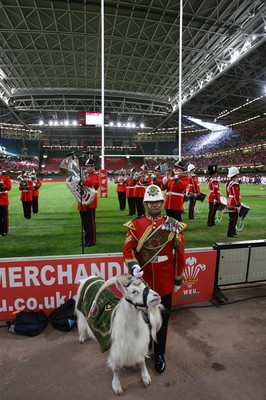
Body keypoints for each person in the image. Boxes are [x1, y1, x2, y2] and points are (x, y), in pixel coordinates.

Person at [123, 184, 186, 373]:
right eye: (150, 202)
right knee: (143, 320)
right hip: (143, 283)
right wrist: (134, 266)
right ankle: (143, 349)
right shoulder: (136, 224)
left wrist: (177, 279)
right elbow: (128, 250)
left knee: (162, 321)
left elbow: (180, 254)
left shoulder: (172, 224)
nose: (154, 205)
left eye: (157, 202)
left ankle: (159, 354)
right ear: (144, 203)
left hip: (165, 280)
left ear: (162, 202)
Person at [78, 159, 100, 247]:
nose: (87, 168)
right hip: (83, 200)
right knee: (85, 223)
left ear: (93, 167)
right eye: (86, 166)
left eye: (89, 166)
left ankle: (92, 241)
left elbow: (94, 184)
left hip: (90, 202)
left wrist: (82, 182)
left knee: (90, 223)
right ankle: (87, 240)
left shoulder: (94, 175)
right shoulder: (86, 176)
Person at [226, 166, 241, 238]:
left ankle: (232, 233)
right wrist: (238, 204)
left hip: (230, 202)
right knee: (233, 219)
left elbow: (228, 195)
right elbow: (236, 195)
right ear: (235, 174)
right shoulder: (235, 184)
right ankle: (231, 233)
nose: (238, 174)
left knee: (232, 218)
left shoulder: (229, 183)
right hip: (233, 203)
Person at [0, 167, 12, 236]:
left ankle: (5, 231)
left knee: (4, 217)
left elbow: (9, 187)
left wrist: (2, 186)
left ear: (1, 171)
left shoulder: (6, 178)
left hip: (3, 200)